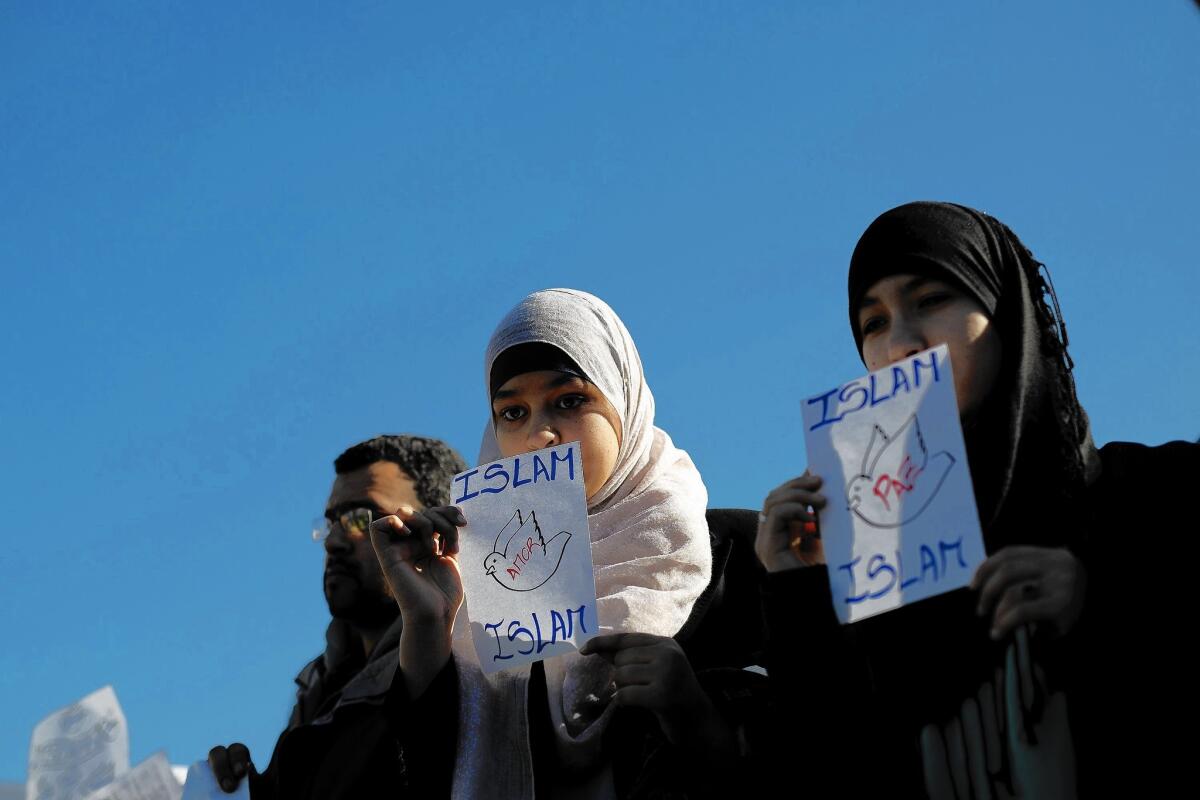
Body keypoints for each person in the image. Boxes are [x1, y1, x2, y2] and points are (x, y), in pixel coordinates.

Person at [756, 201, 1199, 797]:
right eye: (874, 323)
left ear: (1005, 312)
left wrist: (1100, 606)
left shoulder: (1158, 494)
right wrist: (800, 592)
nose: (901, 347)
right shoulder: (868, 578)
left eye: (931, 300)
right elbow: (831, 768)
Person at [369, 288, 754, 798]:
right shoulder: (472, 593)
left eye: (570, 401)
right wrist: (427, 628)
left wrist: (697, 716)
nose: (539, 435)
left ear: (623, 402)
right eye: (512, 413)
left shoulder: (738, 554)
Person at [207, 434, 467, 797]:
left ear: (438, 531)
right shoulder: (315, 690)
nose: (334, 541)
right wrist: (249, 790)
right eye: (332, 523)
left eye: (361, 519)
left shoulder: (472, 670)